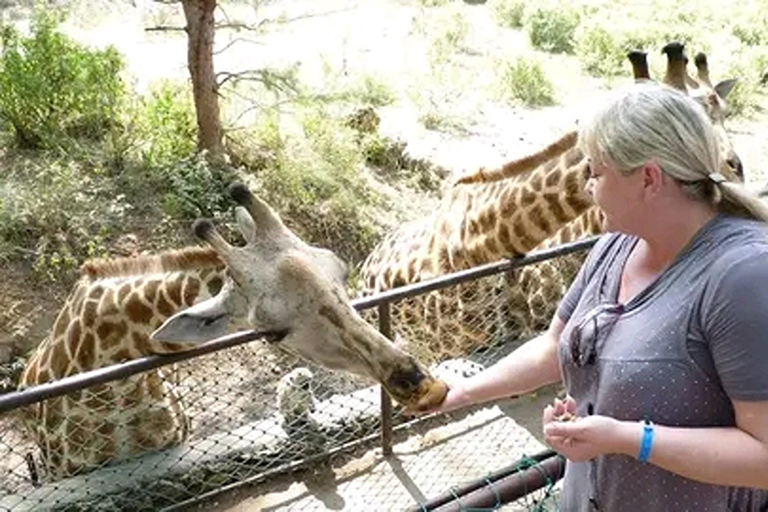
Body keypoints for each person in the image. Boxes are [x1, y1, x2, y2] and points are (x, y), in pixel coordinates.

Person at [424, 82, 768, 511]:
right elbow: (554, 348)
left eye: (595, 173)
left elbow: (764, 455)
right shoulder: (616, 245)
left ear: (648, 178)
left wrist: (628, 438)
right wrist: (460, 392)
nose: (588, 187)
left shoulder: (743, 277)